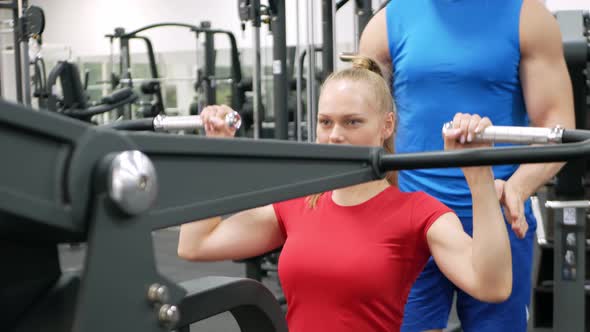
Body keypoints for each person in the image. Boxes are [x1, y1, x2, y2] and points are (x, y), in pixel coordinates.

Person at [178, 56, 514, 332]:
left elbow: (492, 286)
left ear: (387, 126)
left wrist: (478, 173)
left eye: (352, 122)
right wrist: (214, 149)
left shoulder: (417, 212)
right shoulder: (297, 202)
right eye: (325, 122)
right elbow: (196, 244)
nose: (335, 135)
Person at [359, 1, 575, 331]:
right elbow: (364, 129)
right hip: (413, 224)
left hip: (497, 218)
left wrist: (517, 187)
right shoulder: (386, 24)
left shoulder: (528, 17)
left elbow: (556, 127)